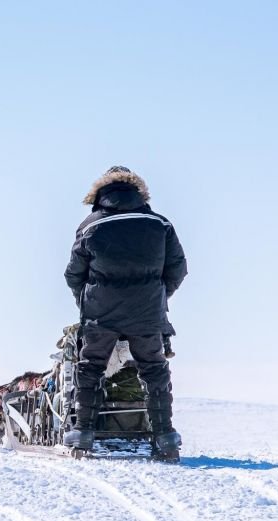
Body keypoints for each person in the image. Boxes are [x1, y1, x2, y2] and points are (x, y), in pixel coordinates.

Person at [63, 166, 188, 459]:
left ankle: (82, 434)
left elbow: (73, 275)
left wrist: (87, 304)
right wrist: (158, 296)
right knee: (154, 368)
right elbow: (178, 269)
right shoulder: (160, 224)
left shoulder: (89, 226)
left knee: (90, 367)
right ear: (139, 191)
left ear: (99, 193)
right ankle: (165, 437)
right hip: (146, 313)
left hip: (100, 314)